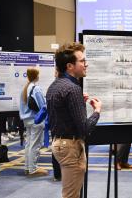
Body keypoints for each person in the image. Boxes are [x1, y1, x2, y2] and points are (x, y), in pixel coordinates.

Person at [47, 42, 102, 198]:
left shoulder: (55, 85)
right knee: (71, 195)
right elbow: (85, 128)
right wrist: (97, 111)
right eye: (82, 61)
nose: (86, 64)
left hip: (59, 143)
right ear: (70, 66)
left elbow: (62, 114)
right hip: (70, 147)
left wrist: (79, 103)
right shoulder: (72, 89)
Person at [19, 67, 48, 176]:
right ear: (36, 76)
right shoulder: (36, 88)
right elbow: (42, 106)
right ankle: (32, 169)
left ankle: (27, 167)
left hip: (26, 119)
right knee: (35, 144)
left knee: (29, 143)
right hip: (36, 119)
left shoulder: (24, 88)